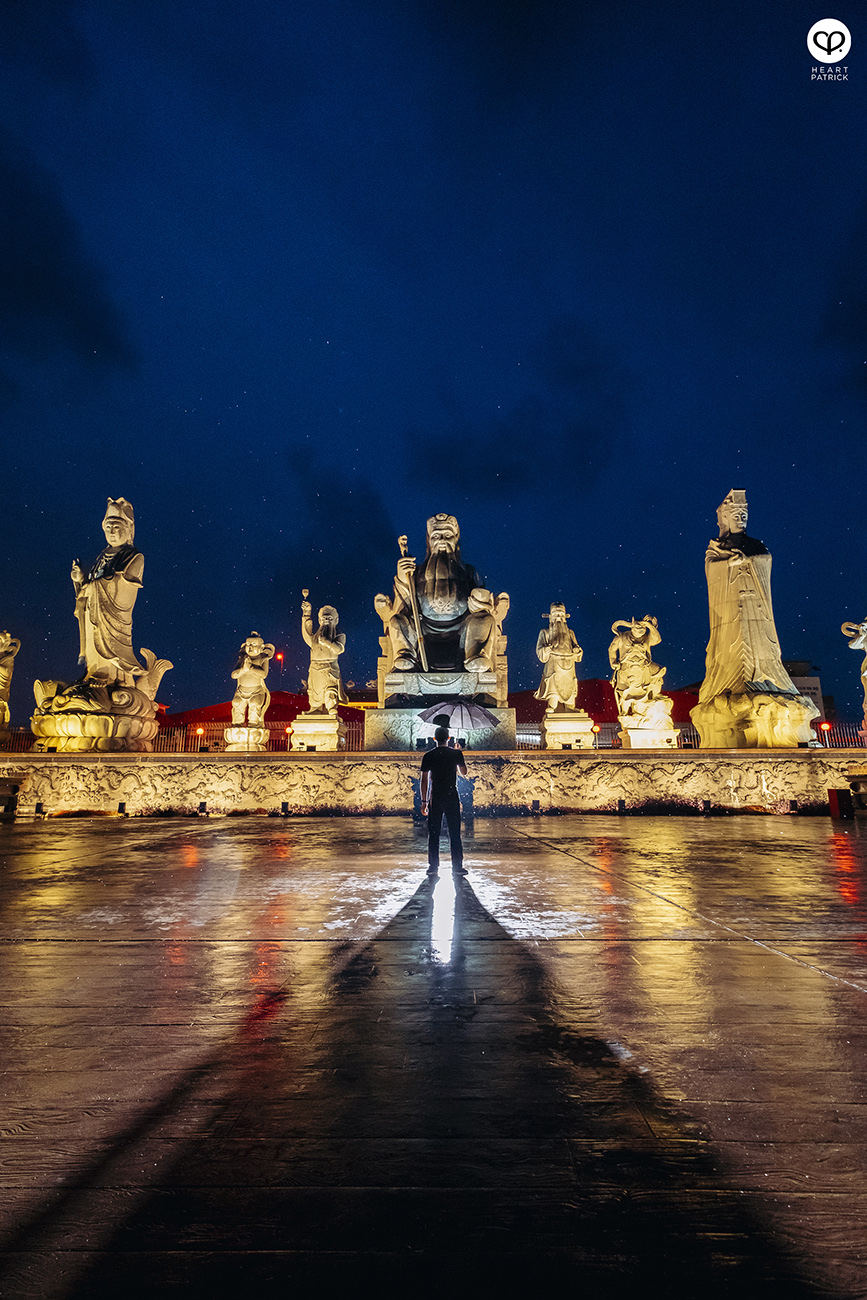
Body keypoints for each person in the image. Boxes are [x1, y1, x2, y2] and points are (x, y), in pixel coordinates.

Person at [420, 726, 467, 875]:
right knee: (454, 832)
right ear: (448, 738)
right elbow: (464, 772)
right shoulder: (456, 754)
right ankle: (457, 867)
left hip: (436, 796)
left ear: (434, 739)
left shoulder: (428, 756)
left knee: (434, 833)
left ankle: (433, 867)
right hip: (452, 795)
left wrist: (424, 801)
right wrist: (459, 753)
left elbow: (424, 780)